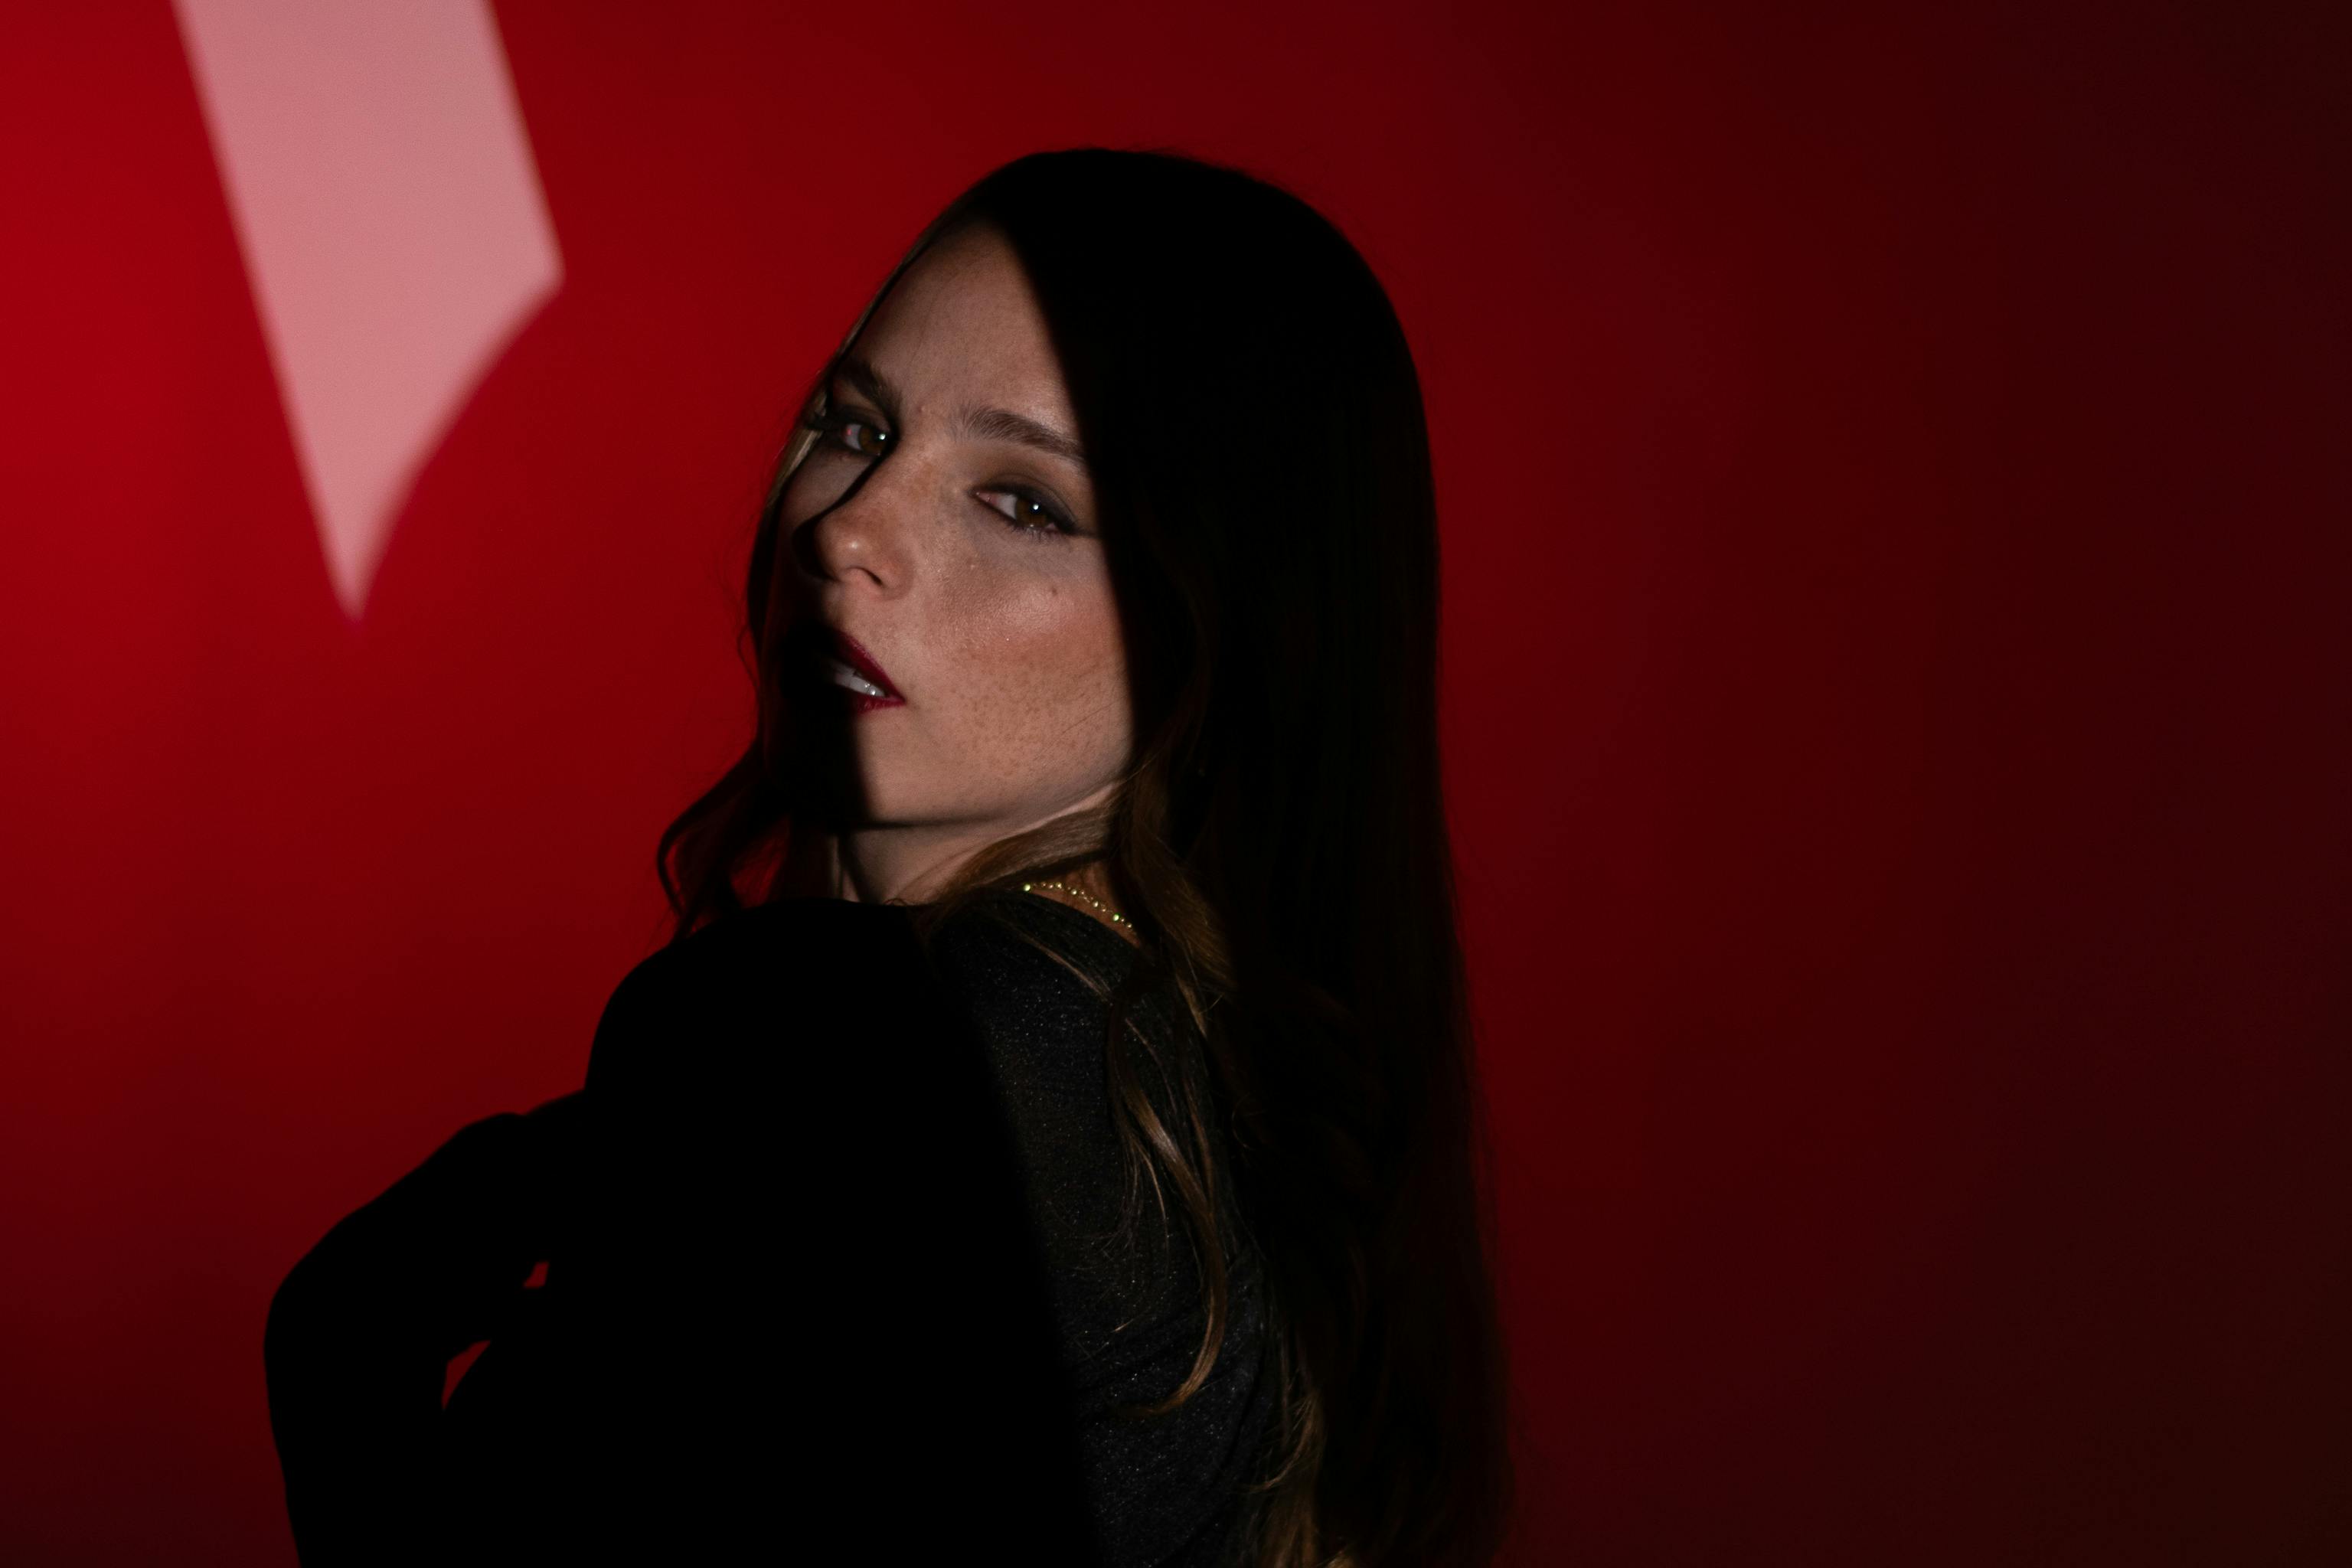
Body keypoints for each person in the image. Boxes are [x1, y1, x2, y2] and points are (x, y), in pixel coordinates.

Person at [264, 146, 1514, 1567]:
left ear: (1222, 644)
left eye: (1026, 503)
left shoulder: (817, 1040)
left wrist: (342, 1357)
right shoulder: (1218, 1109)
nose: (846, 530)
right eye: (855, 427)